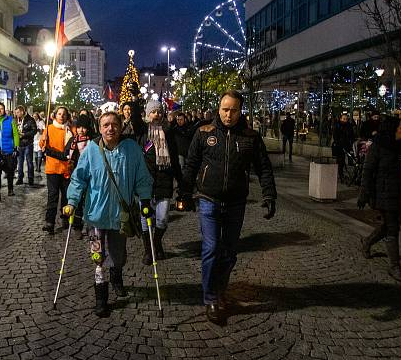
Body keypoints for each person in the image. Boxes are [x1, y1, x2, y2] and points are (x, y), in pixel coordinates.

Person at [180, 90, 277, 325]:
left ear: (240, 110)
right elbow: (191, 164)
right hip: (208, 199)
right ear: (218, 109)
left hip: (236, 202)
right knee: (211, 248)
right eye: (225, 109)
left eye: (233, 110)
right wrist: (183, 193)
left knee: (230, 252)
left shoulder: (250, 137)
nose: (228, 114)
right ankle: (210, 297)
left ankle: (220, 287)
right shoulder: (204, 133)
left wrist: (269, 195)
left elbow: (263, 167)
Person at [63, 112, 153, 317]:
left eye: (114, 124)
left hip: (120, 216)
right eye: (105, 125)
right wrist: (72, 201)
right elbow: (78, 179)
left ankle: (117, 277)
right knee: (98, 256)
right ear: (100, 127)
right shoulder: (91, 150)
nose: (110, 128)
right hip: (95, 216)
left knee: (118, 255)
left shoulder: (132, 149)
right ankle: (101, 297)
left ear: (121, 127)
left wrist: (145, 198)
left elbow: (142, 177)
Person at [358, 116, 401, 284]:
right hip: (383, 191)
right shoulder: (378, 146)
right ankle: (395, 266)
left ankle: (367, 241)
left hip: (398, 191)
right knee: (393, 227)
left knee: (390, 225)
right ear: (392, 130)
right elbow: (367, 170)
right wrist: (364, 194)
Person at [136, 100, 182, 264]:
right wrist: (136, 99)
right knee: (145, 218)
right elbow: (135, 117)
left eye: (159, 112)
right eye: (153, 112)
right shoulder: (142, 132)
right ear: (148, 114)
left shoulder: (168, 132)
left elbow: (175, 158)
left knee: (162, 218)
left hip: (165, 180)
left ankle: (156, 243)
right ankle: (148, 251)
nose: (156, 114)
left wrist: (181, 183)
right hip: (145, 182)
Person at [40, 106, 74, 234]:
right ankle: (50, 222)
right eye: (59, 114)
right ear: (55, 115)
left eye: (64, 114)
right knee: (52, 196)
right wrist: (43, 141)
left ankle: (65, 217)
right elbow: (42, 146)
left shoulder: (70, 130)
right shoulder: (49, 129)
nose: (61, 116)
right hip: (52, 168)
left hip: (66, 168)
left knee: (66, 196)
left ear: (67, 116)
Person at [14, 105, 37, 186]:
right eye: (15, 113)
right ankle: (20, 178)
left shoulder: (30, 119)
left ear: (22, 112)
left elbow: (34, 131)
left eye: (17, 112)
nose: (16, 114)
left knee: (29, 162)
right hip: (20, 144)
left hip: (28, 144)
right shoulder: (16, 120)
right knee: (19, 163)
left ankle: (31, 178)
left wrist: (24, 134)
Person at [332, 112, 355, 180]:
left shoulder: (349, 126)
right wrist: (338, 143)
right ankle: (340, 173)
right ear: (340, 119)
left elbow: (351, 135)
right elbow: (335, 136)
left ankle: (344, 173)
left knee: (350, 159)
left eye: (346, 119)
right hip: (340, 145)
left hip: (347, 145)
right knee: (340, 160)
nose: (345, 120)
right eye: (343, 119)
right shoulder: (337, 125)